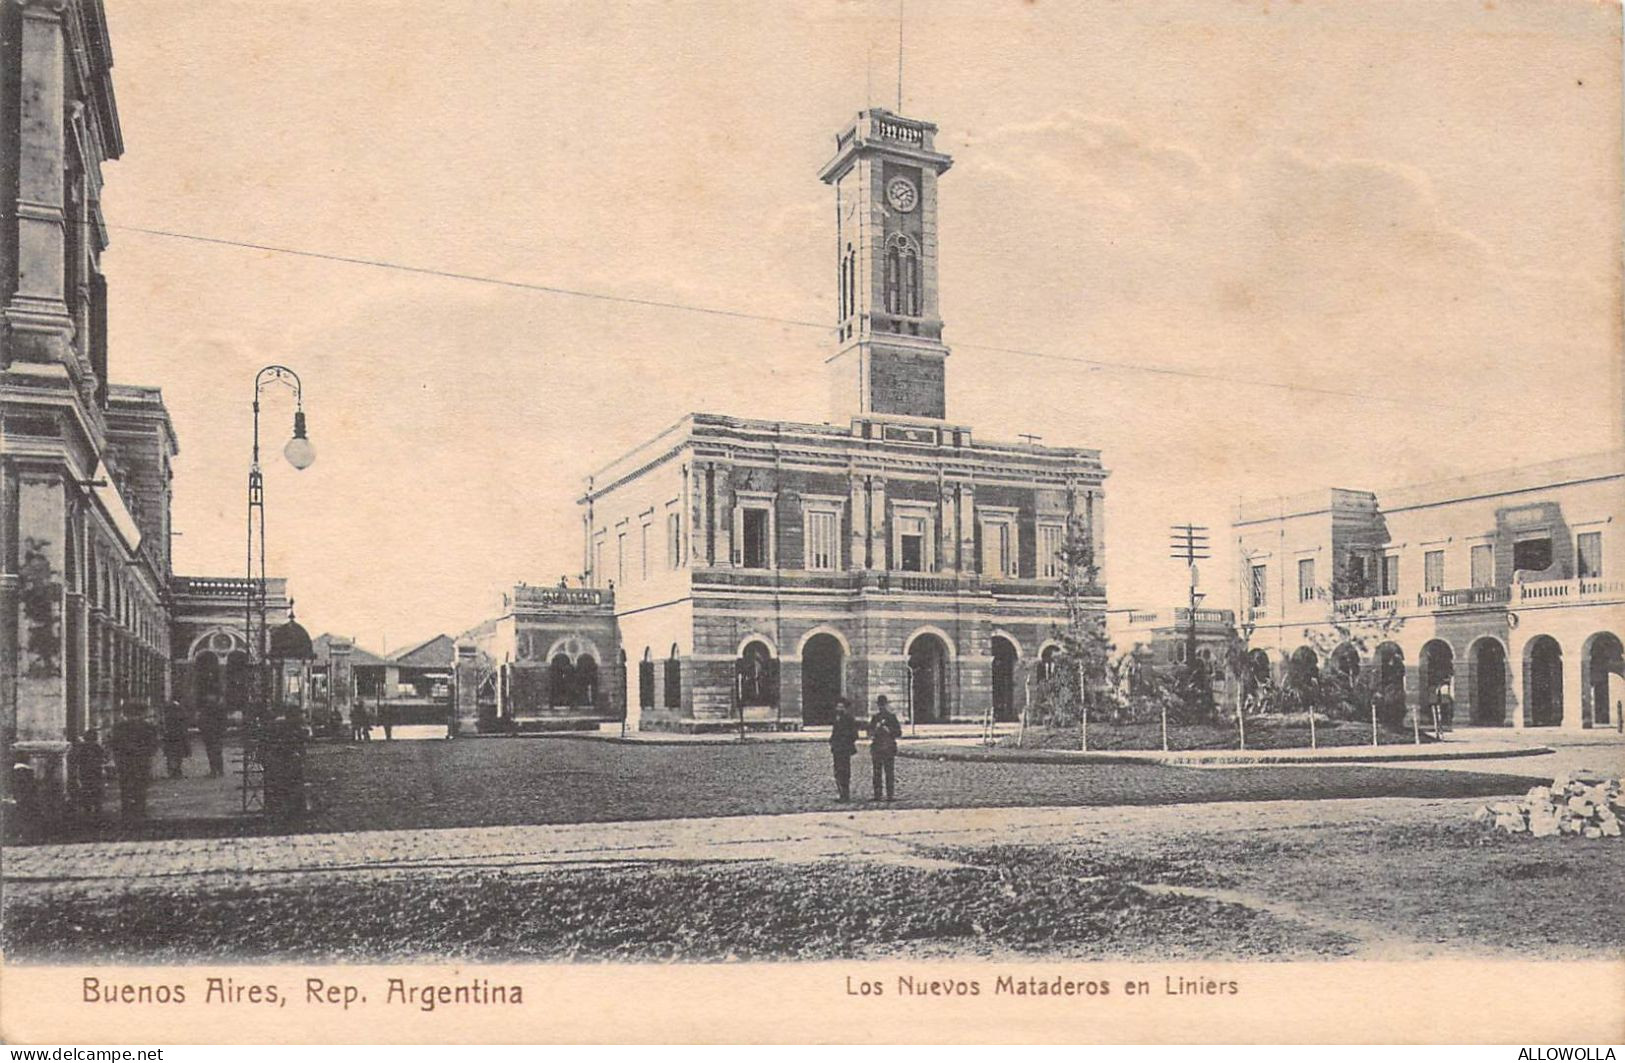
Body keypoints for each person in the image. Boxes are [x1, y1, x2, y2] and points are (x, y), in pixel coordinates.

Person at [109, 702, 159, 822]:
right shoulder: (149, 727)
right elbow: (154, 745)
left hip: (125, 761)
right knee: (141, 785)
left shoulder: (119, 727)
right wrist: (146, 754)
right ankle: (140, 810)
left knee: (126, 786)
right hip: (142, 761)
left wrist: (119, 757)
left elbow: (114, 744)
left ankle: (126, 811)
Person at [868, 695, 903, 802]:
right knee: (877, 773)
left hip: (888, 748)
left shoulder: (892, 717)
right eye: (880, 705)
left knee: (889, 773)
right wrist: (876, 729)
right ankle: (877, 794)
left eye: (883, 704)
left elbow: (898, 733)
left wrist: (889, 730)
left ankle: (890, 795)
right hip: (877, 748)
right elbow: (869, 733)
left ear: (886, 705)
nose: (881, 707)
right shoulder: (875, 718)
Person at [68, 729, 107, 821]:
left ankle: (87, 810)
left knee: (86, 789)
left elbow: (76, 759)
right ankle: (98, 810)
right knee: (97, 790)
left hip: (85, 772)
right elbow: (103, 758)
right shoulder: (98, 747)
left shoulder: (82, 747)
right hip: (96, 772)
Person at [829, 698, 860, 801]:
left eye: (841, 707)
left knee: (845, 772)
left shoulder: (849, 719)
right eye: (838, 707)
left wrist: (844, 740)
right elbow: (834, 733)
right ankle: (841, 794)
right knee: (837, 771)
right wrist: (832, 741)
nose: (839, 709)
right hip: (837, 749)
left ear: (845, 708)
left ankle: (845, 795)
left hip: (845, 749)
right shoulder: (836, 719)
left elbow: (855, 735)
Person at [160, 700, 191, 778]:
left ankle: (173, 771)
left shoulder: (169, 712)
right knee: (177, 754)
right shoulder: (181, 711)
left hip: (172, 736)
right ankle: (176, 770)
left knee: (172, 754)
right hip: (179, 736)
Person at [197, 695, 226, 778]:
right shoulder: (220, 709)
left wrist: (203, 730)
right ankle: (220, 771)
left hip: (209, 734)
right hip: (217, 734)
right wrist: (221, 731)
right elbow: (224, 721)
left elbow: (201, 721)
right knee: (218, 752)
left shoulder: (205, 710)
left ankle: (213, 771)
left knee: (211, 752)